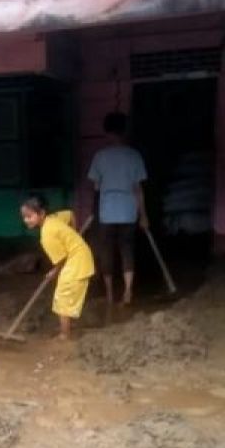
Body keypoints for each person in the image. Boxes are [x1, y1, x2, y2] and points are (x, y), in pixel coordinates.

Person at [87, 111, 149, 306]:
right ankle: (128, 292)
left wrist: (93, 212)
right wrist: (143, 216)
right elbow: (138, 189)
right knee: (127, 249)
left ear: (107, 133)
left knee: (107, 251)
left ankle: (110, 294)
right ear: (124, 131)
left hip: (107, 211)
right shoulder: (134, 155)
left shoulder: (100, 156)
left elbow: (96, 187)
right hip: (128, 211)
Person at [19, 193, 95, 341]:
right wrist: (74, 232)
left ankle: (64, 335)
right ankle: (67, 326)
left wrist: (54, 271)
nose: (26, 220)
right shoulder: (53, 218)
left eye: (29, 216)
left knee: (62, 298)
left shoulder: (47, 234)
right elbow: (71, 214)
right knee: (64, 295)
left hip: (77, 262)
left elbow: (61, 259)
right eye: (24, 217)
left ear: (41, 213)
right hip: (79, 256)